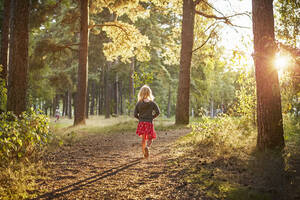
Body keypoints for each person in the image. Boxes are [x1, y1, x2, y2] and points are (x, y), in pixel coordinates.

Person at [134, 85, 160, 158]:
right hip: (149, 122)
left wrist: (140, 119)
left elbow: (135, 114)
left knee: (143, 139)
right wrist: (152, 117)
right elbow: (158, 112)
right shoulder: (152, 103)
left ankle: (143, 153)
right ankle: (147, 147)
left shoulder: (139, 103)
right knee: (150, 139)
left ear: (141, 93)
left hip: (141, 123)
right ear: (149, 93)